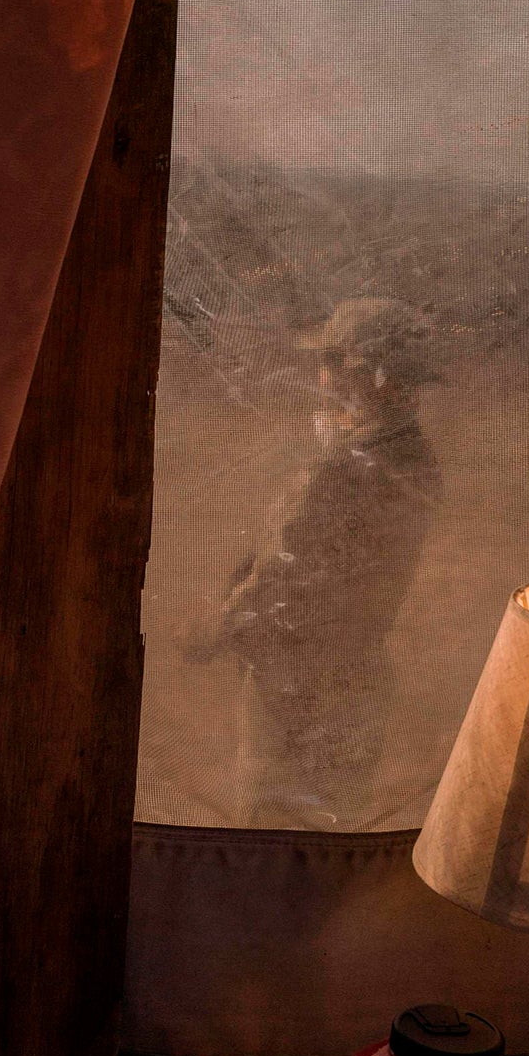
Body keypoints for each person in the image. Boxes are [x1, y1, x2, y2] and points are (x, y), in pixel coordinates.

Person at [186, 296, 443, 828]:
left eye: (331, 360)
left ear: (366, 374)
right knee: (332, 818)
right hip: (361, 671)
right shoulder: (416, 460)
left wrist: (218, 626)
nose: (321, 374)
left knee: (271, 822)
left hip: (297, 674)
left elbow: (285, 566)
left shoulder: (344, 467)